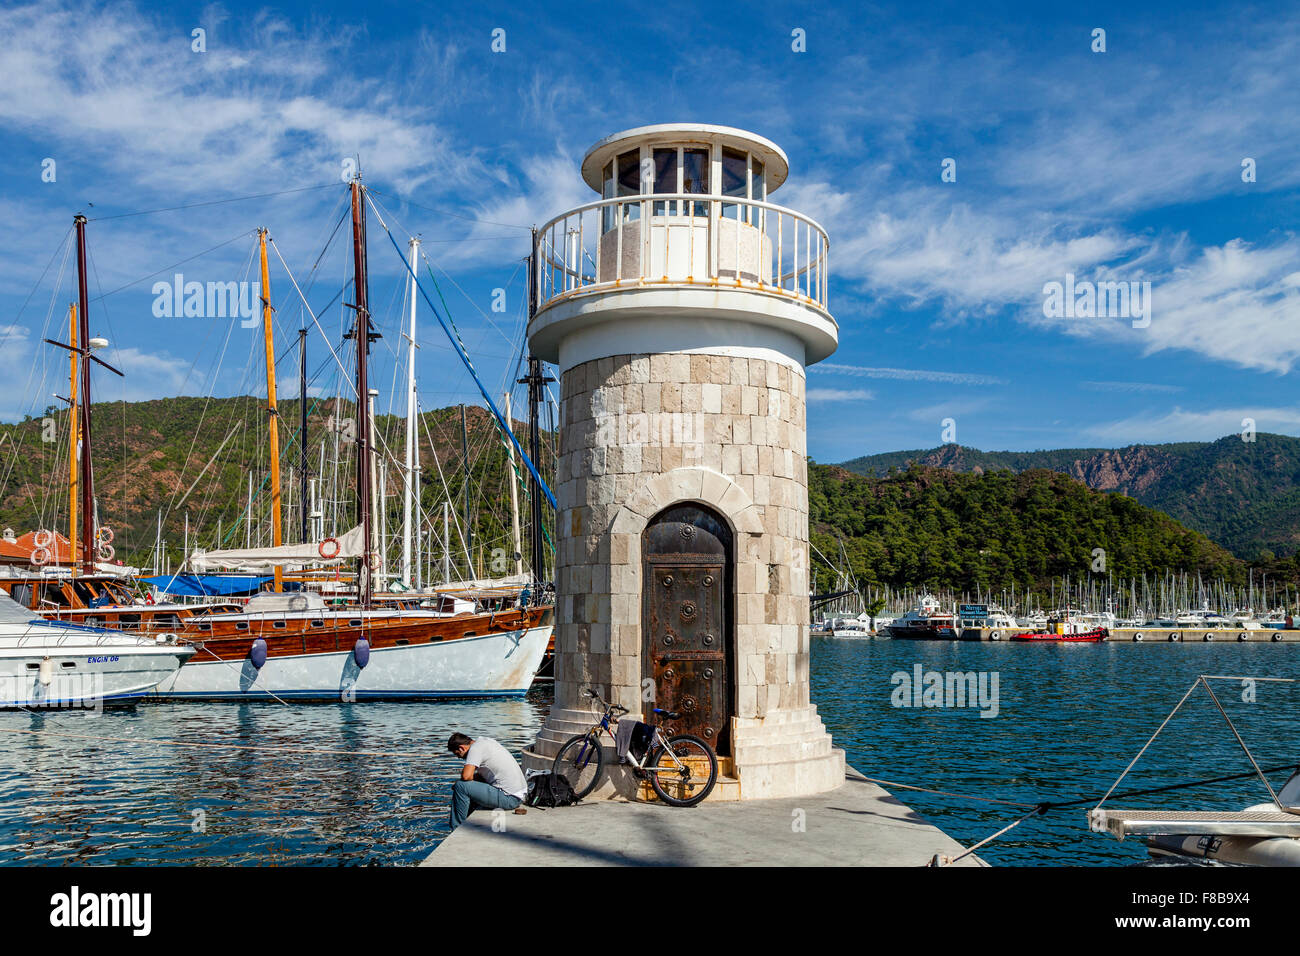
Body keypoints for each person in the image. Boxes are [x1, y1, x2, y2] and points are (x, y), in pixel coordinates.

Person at [446, 732, 529, 830]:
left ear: (461, 748)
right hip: (520, 794)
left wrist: (459, 783)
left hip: (509, 798)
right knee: (467, 785)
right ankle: (468, 819)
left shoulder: (475, 749)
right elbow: (478, 777)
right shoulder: (485, 741)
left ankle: (457, 828)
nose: (459, 758)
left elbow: (466, 776)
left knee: (460, 787)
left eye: (457, 754)